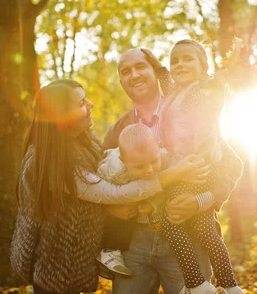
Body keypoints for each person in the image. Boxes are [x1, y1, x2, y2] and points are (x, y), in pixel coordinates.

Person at [9, 79, 209, 294]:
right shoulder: (49, 163)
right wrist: (174, 174)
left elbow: (99, 191)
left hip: (75, 260)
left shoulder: (84, 143)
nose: (91, 104)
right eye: (81, 103)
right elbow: (111, 193)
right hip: (55, 266)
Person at [104, 49, 243, 294]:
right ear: (121, 81)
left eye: (141, 67)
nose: (134, 75)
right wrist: (116, 208)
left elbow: (231, 166)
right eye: (126, 71)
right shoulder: (117, 132)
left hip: (189, 233)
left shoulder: (190, 112)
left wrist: (201, 201)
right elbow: (105, 187)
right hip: (134, 242)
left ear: (155, 72)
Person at [160, 39, 243, 294]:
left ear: (202, 66)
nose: (179, 64)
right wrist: (153, 62)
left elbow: (204, 122)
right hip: (193, 167)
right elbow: (163, 77)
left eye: (187, 59)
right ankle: (229, 286)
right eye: (174, 60)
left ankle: (197, 285)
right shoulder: (175, 93)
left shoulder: (200, 92)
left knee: (170, 223)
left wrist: (232, 64)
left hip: (194, 168)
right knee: (205, 229)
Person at [96, 124, 168, 276]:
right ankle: (109, 249)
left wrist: (153, 203)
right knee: (122, 212)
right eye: (139, 167)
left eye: (154, 162)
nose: (149, 170)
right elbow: (99, 193)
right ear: (124, 161)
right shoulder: (113, 173)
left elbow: (166, 186)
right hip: (116, 186)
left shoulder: (163, 157)